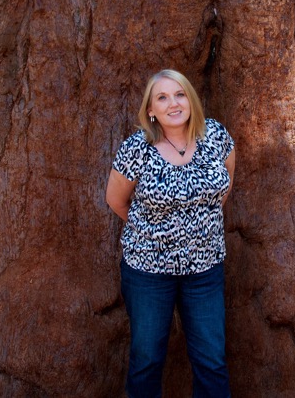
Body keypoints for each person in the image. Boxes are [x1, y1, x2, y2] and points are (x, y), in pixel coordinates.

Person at [106, 69, 236, 398]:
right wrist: (155, 236)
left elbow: (225, 185)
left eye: (179, 94)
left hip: (205, 270)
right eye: (162, 97)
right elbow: (116, 200)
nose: (173, 103)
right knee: (147, 360)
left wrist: (198, 227)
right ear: (151, 110)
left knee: (212, 361)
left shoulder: (216, 137)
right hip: (148, 273)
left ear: (190, 100)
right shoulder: (137, 149)